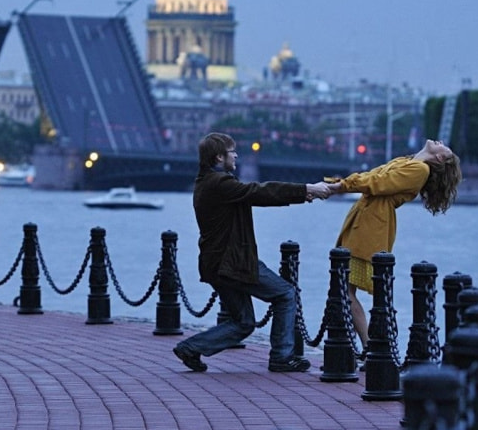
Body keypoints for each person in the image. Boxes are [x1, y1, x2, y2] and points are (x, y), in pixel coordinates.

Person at [173, 132, 337, 373]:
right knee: (285, 294)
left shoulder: (207, 182)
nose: (236, 155)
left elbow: (257, 193)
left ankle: (191, 348)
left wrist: (305, 194)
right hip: (231, 262)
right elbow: (260, 191)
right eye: (232, 151)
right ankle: (282, 356)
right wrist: (306, 189)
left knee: (243, 323)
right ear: (219, 157)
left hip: (216, 263)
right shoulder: (220, 183)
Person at [329, 139, 462, 354]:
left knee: (344, 290)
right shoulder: (409, 161)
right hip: (363, 221)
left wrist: (342, 186)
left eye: (445, 147)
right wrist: (342, 184)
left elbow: (378, 181)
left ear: (439, 158)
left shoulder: (419, 170)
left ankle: (369, 347)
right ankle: (364, 346)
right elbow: (374, 176)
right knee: (345, 289)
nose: (441, 142)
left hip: (370, 228)